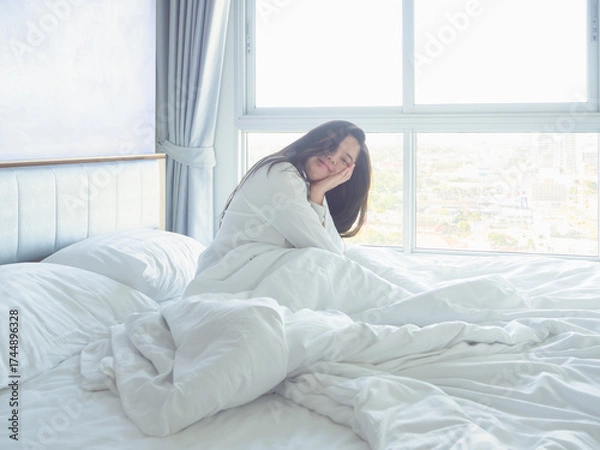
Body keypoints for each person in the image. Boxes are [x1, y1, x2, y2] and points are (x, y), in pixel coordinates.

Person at [195, 120, 372, 277]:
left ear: (347, 173)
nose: (333, 157)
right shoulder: (281, 176)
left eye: (344, 160)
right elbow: (328, 254)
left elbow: (336, 248)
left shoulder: (311, 188)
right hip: (224, 276)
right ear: (317, 139)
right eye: (331, 146)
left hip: (250, 274)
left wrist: (317, 196)